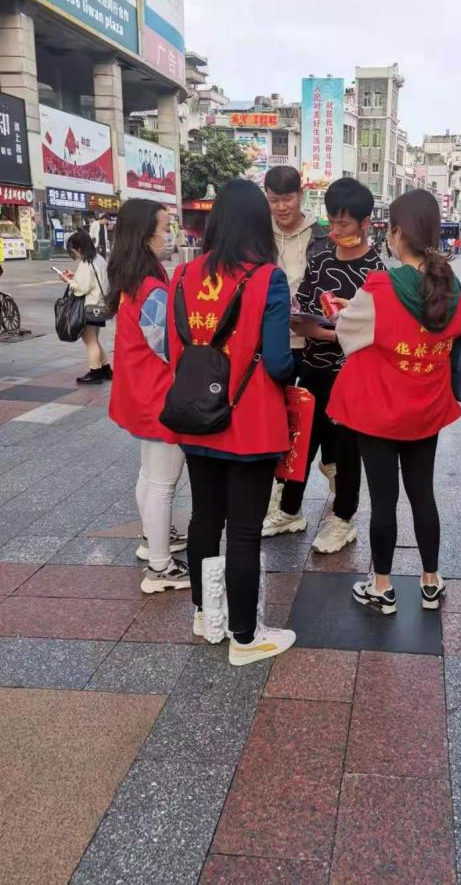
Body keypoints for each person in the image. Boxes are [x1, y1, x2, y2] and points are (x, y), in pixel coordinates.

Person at [166, 178, 296, 666]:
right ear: (259, 224)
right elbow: (279, 363)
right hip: (249, 424)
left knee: (204, 517)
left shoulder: (182, 275)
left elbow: (172, 350)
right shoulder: (267, 278)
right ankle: (245, 637)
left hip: (195, 416)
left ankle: (205, 615)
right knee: (243, 530)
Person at [328, 189, 461, 615]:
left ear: (397, 233)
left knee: (383, 500)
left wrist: (347, 311)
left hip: (381, 413)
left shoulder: (381, 286)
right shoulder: (452, 287)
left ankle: (383, 587)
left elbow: (349, 334)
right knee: (423, 494)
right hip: (427, 410)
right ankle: (430, 582)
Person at [262, 177, 384, 553]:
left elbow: (377, 332)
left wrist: (325, 333)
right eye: (332, 223)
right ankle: (289, 510)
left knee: (346, 449)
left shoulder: (376, 272)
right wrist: (297, 318)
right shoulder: (320, 261)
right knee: (300, 441)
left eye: (344, 224)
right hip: (313, 367)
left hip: (352, 374)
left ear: (366, 223)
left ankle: (343, 519)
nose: (336, 231)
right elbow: (302, 301)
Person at [106, 199, 189, 594]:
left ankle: (151, 539)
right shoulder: (152, 288)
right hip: (158, 395)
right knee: (162, 483)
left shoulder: (131, 280)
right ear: (144, 236)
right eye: (165, 229)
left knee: (149, 474)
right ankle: (160, 567)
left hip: (138, 391)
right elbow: (169, 348)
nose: (169, 236)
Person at [264, 165, 333, 505]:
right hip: (273, 343)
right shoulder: (260, 235)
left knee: (313, 418)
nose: (281, 207)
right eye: (274, 200)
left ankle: (329, 467)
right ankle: (280, 487)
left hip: (311, 343)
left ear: (300, 195)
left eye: (287, 199)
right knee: (276, 417)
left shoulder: (321, 236)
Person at [59, 229, 112, 384]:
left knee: (90, 341)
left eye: (73, 250)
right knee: (94, 339)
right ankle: (105, 369)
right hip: (101, 305)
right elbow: (94, 280)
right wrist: (75, 276)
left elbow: (81, 288)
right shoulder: (98, 259)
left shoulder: (86, 263)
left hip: (90, 306)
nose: (74, 254)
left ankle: (95, 372)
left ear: (79, 248)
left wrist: (67, 280)